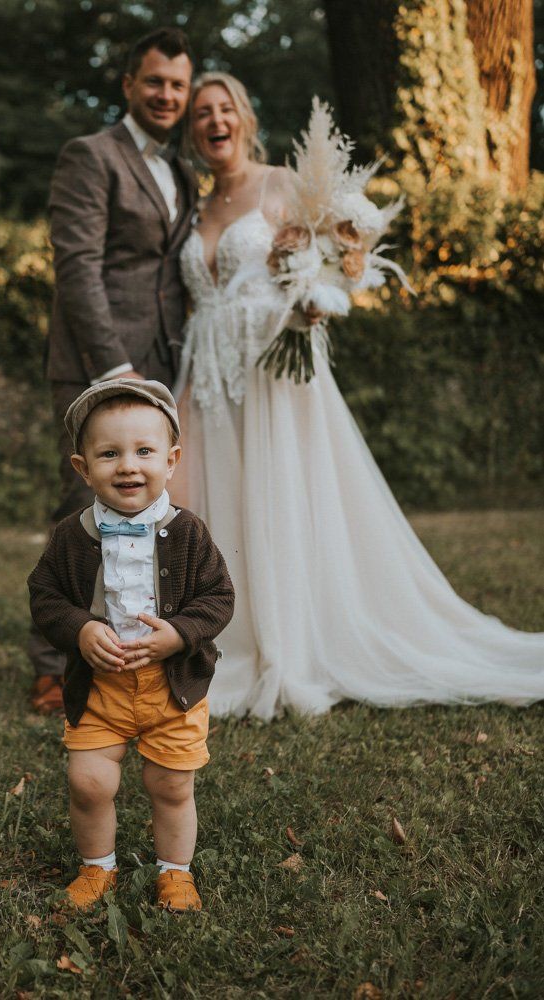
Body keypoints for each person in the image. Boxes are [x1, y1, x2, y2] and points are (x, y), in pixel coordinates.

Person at [174, 71, 544, 719]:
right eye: (201, 112)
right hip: (210, 374)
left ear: (244, 117)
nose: (214, 121)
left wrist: (312, 301)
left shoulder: (279, 184)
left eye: (224, 107)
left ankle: (291, 638)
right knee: (221, 500)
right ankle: (230, 628)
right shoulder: (195, 209)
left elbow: (330, 257)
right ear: (191, 130)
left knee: (282, 491)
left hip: (276, 374)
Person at [29, 28, 199, 713]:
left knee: (149, 509)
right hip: (98, 366)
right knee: (83, 508)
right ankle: (51, 661)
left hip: (165, 365)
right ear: (128, 84)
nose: (166, 95)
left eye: (178, 85)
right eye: (154, 81)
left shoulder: (183, 170)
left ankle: (135, 643)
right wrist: (114, 369)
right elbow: (77, 267)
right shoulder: (90, 155)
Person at [28, 379, 234, 911]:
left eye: (144, 451)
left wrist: (181, 633)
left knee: (170, 784)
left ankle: (176, 873)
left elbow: (219, 597)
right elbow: (45, 596)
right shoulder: (70, 537)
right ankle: (98, 868)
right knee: (89, 782)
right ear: (82, 467)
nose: (127, 466)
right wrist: (79, 628)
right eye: (109, 454)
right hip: (99, 687)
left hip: (173, 686)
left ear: (171, 461)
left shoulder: (189, 533)